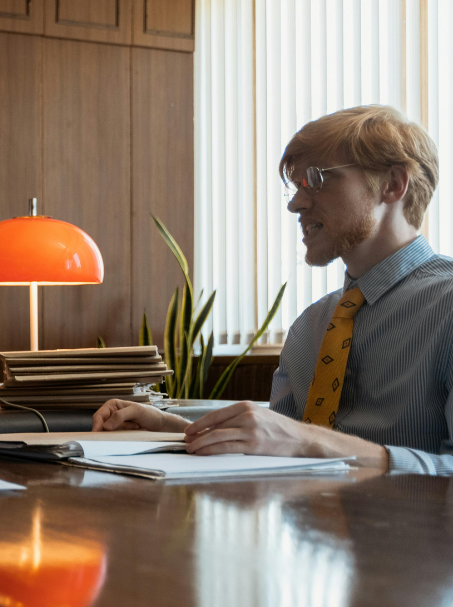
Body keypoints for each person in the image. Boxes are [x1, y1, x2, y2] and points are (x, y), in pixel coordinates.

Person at [93, 105, 451, 474]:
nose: (296, 203)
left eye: (316, 179)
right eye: (295, 187)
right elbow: (282, 448)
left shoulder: (448, 308)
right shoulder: (313, 325)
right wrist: (174, 427)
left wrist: (309, 442)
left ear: (393, 184)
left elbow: (303, 443)